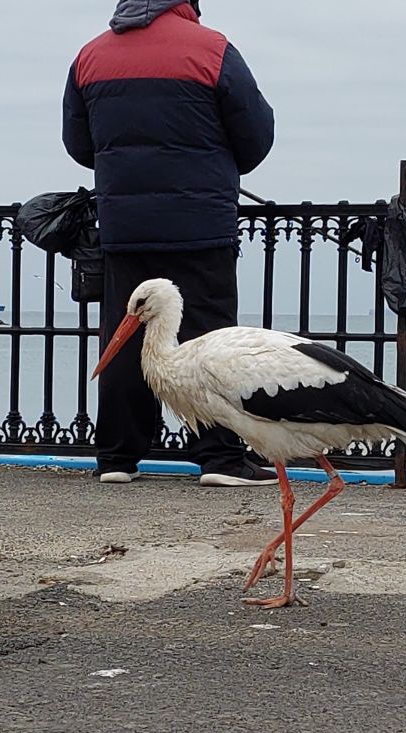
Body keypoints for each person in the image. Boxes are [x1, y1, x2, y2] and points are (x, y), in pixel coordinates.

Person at [64, 0, 278, 487]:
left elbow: (79, 144)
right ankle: (220, 459)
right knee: (210, 343)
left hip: (124, 223)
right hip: (200, 222)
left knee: (126, 334)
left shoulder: (91, 56)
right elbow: (256, 135)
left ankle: (117, 458)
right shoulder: (212, 50)